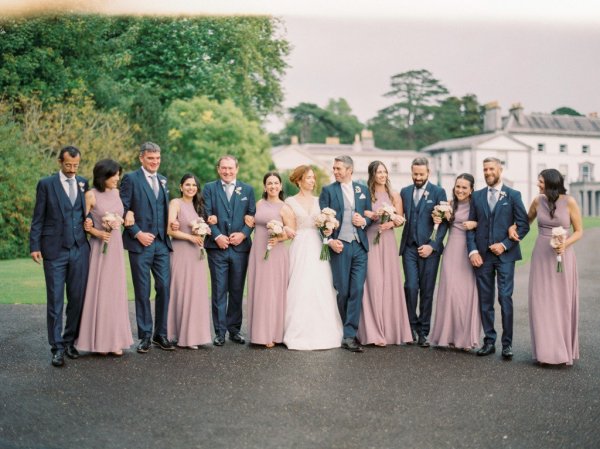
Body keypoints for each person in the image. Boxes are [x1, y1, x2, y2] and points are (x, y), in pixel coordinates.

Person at [510, 169, 582, 365]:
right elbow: (524, 222)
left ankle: (561, 350)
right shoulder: (537, 201)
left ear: (551, 183)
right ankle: (544, 352)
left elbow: (579, 231)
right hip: (541, 254)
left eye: (541, 182)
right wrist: (512, 227)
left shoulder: (570, 202)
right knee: (541, 301)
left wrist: (564, 245)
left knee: (561, 301)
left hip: (563, 255)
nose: (538, 185)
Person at [30, 146, 90, 367]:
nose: (72, 170)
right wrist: (34, 245)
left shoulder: (84, 183)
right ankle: (56, 348)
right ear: (60, 162)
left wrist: (91, 221)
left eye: (76, 165)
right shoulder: (46, 184)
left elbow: (87, 212)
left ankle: (69, 341)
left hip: (79, 249)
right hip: (54, 249)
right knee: (55, 300)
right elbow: (38, 217)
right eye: (68, 165)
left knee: (77, 298)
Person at [467, 157, 529, 359]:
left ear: (500, 169)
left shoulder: (513, 195)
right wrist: (473, 251)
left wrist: (504, 245)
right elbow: (471, 226)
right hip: (482, 257)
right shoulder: (476, 196)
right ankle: (489, 341)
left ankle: (507, 344)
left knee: (504, 297)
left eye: (491, 168)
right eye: (484, 169)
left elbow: (524, 225)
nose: (487, 172)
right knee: (485, 300)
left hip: (505, 256)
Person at [120, 142, 174, 353]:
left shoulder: (162, 180)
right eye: (151, 158)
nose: (155, 162)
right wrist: (137, 233)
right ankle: (144, 335)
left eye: (158, 159)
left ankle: (160, 334)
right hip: (140, 244)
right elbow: (123, 208)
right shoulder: (131, 179)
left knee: (164, 286)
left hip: (161, 243)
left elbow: (163, 208)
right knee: (142, 290)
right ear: (141, 158)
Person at [76, 159, 133, 356]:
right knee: (99, 291)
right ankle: (99, 342)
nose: (118, 178)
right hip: (99, 248)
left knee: (115, 293)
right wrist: (97, 233)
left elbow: (123, 213)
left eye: (119, 174)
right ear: (103, 176)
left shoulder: (117, 193)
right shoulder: (90, 195)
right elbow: (82, 223)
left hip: (115, 247)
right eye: (114, 175)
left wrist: (129, 214)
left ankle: (115, 341)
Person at [283, 166, 343, 350]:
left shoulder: (320, 200)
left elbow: (333, 221)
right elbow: (291, 227)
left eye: (313, 178)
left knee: (320, 285)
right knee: (299, 285)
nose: (312, 181)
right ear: (299, 180)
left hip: (319, 245)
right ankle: (297, 330)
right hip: (300, 245)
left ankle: (324, 331)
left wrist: (329, 228)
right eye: (308, 178)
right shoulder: (290, 201)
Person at [319, 155, 372, 352]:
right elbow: (321, 222)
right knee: (343, 291)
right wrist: (330, 241)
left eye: (339, 168)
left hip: (359, 246)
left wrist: (364, 222)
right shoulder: (328, 191)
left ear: (350, 170)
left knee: (357, 289)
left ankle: (349, 335)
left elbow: (370, 216)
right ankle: (341, 327)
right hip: (340, 246)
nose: (335, 171)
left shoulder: (363, 190)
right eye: (334, 168)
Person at [358, 161, 412, 346]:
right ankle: (373, 331)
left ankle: (390, 331)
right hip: (371, 238)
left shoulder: (394, 195)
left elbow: (400, 219)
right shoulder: (365, 194)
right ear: (372, 174)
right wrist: (373, 216)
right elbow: (361, 212)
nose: (382, 175)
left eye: (384, 172)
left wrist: (390, 222)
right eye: (378, 172)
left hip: (387, 240)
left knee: (389, 283)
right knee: (373, 283)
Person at [203, 155, 256, 346]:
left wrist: (243, 234)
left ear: (237, 169)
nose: (227, 171)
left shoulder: (248, 190)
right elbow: (206, 213)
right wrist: (217, 236)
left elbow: (252, 216)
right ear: (218, 169)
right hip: (216, 248)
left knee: (236, 290)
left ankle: (234, 330)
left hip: (240, 248)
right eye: (223, 168)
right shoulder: (209, 188)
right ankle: (220, 332)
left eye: (230, 168)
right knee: (219, 290)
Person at [399, 157, 448, 348]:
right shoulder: (405, 191)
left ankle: (423, 331)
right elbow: (399, 216)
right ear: (411, 172)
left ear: (428, 172)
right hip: (409, 247)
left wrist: (433, 246)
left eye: (421, 174)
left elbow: (444, 223)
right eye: (415, 174)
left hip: (429, 249)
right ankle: (410, 327)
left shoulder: (438, 192)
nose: (418, 177)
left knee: (427, 290)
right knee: (411, 286)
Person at [429, 173, 481, 351]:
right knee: (449, 292)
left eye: (464, 187)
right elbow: (442, 226)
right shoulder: (450, 205)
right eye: (458, 186)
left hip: (469, 251)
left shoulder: (477, 206)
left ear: (471, 189)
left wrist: (476, 224)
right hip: (451, 250)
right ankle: (446, 336)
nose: (460, 190)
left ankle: (465, 339)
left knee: (465, 296)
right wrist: (438, 219)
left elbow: (487, 224)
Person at [167, 174, 215, 349]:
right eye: (187, 185)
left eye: (194, 185)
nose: (191, 188)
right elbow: (169, 230)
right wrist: (190, 237)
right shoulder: (175, 203)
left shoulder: (197, 206)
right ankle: (178, 334)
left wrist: (204, 229)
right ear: (181, 187)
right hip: (181, 252)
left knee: (196, 293)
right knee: (181, 291)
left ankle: (194, 334)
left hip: (197, 254)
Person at [246, 172, 293, 348]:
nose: (273, 186)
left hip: (275, 253)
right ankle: (258, 333)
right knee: (258, 290)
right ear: (265, 187)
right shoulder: (259, 203)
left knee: (272, 292)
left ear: (280, 186)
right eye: (269, 183)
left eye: (276, 183)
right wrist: (247, 219)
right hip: (258, 251)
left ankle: (273, 333)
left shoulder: (285, 208)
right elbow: (252, 221)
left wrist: (278, 238)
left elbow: (291, 232)